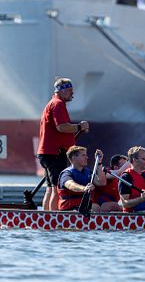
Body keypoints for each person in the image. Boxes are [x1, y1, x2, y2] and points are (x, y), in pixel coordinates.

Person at [37, 77, 90, 211]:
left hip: (48, 153)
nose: (72, 93)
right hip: (54, 153)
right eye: (70, 90)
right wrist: (79, 127)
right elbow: (61, 127)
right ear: (61, 91)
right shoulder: (58, 104)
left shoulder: (54, 103)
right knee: (56, 188)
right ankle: (53, 220)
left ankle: (46, 218)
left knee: (50, 188)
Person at [57, 146, 106, 211]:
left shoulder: (88, 172)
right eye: (83, 155)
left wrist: (99, 163)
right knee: (95, 207)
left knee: (104, 206)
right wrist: (84, 188)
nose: (87, 158)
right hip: (69, 208)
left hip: (84, 206)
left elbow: (101, 182)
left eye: (86, 155)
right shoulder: (66, 174)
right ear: (73, 158)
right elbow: (70, 185)